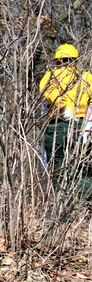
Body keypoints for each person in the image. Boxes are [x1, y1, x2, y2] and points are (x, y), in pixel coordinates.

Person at [39, 43, 92, 198]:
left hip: (58, 127)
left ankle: (65, 217)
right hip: (84, 128)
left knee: (60, 173)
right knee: (84, 170)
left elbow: (48, 94)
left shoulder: (51, 76)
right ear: (76, 60)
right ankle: (84, 212)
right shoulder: (87, 77)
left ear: (57, 60)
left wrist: (62, 107)